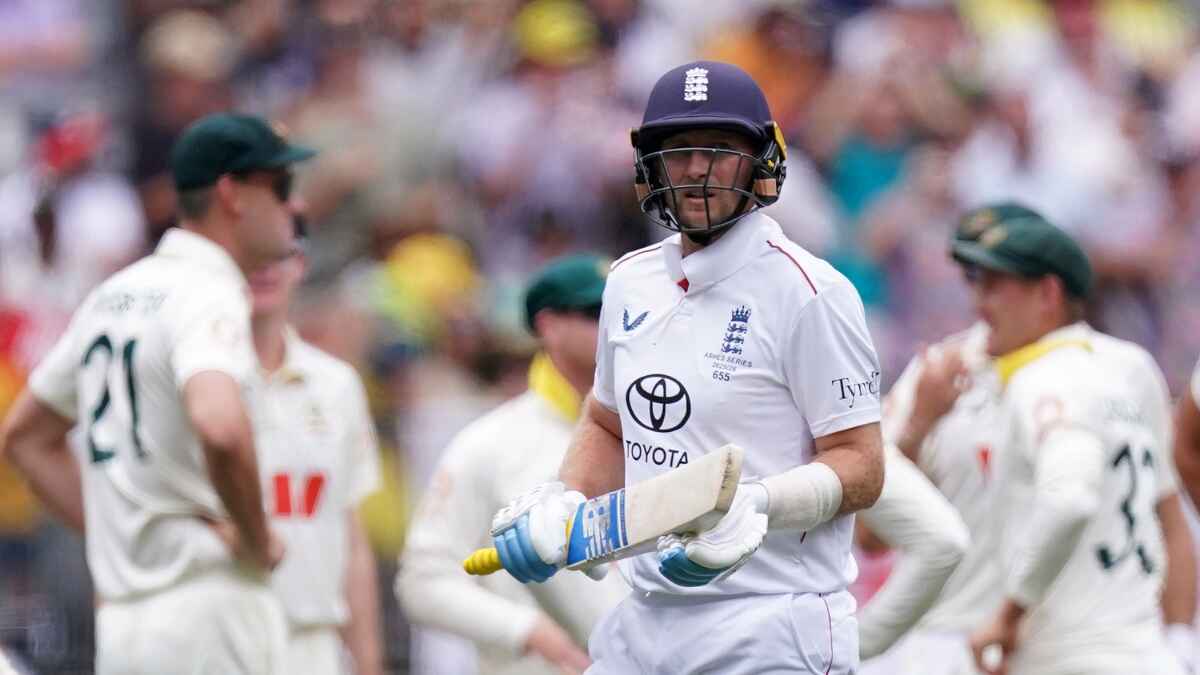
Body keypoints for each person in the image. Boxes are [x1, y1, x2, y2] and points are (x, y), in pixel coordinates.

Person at [487, 61, 885, 673]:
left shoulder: (811, 292)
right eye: (679, 151)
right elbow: (606, 423)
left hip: (770, 619)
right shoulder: (628, 280)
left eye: (721, 150)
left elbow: (862, 464)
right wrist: (563, 499)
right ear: (651, 166)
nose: (698, 169)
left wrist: (754, 505)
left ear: (762, 161)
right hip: (642, 615)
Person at [0, 112, 313, 674]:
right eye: (281, 187)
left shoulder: (114, 295)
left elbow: (25, 438)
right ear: (232, 194)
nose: (293, 206)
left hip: (126, 623)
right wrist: (253, 535)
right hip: (210, 611)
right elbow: (218, 423)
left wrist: (124, 533)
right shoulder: (208, 292)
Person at [930, 204, 1192, 675]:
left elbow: (1072, 500)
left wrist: (1008, 613)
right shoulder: (1126, 366)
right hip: (1145, 653)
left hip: (1073, 657)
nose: (978, 303)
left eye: (994, 285)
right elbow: (1168, 513)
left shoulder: (1041, 379)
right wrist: (1177, 642)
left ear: (1047, 294)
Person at [398, 254, 628, 675]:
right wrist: (530, 630)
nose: (616, 325)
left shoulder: (661, 431)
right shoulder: (491, 444)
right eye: (597, 313)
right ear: (548, 325)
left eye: (626, 310)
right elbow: (422, 581)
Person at [246, 227, 384, 675]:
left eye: (278, 254)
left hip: (312, 645)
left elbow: (351, 537)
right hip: (218, 640)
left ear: (300, 263)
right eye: (251, 253)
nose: (264, 268)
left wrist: (368, 662)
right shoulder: (193, 381)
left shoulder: (337, 385)